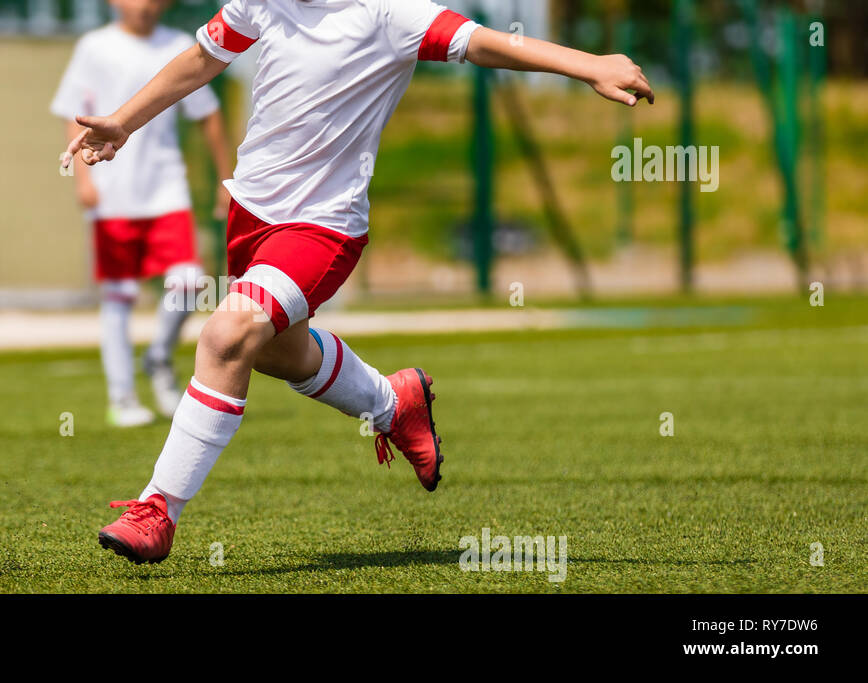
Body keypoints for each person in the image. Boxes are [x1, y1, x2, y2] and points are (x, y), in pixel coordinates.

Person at [64, 0, 654, 563]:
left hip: (322, 229)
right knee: (273, 352)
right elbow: (202, 59)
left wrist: (590, 65)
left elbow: (491, 45)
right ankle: (391, 403)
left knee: (225, 337)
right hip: (250, 219)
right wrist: (123, 121)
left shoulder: (392, 14)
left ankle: (157, 510)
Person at [50, 0, 234, 427]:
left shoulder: (182, 48)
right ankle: (122, 397)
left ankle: (157, 359)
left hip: (166, 190)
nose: (144, 5)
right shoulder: (93, 46)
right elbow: (71, 113)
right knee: (119, 297)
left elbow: (208, 114)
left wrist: (226, 177)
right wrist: (82, 179)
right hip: (111, 193)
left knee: (189, 283)